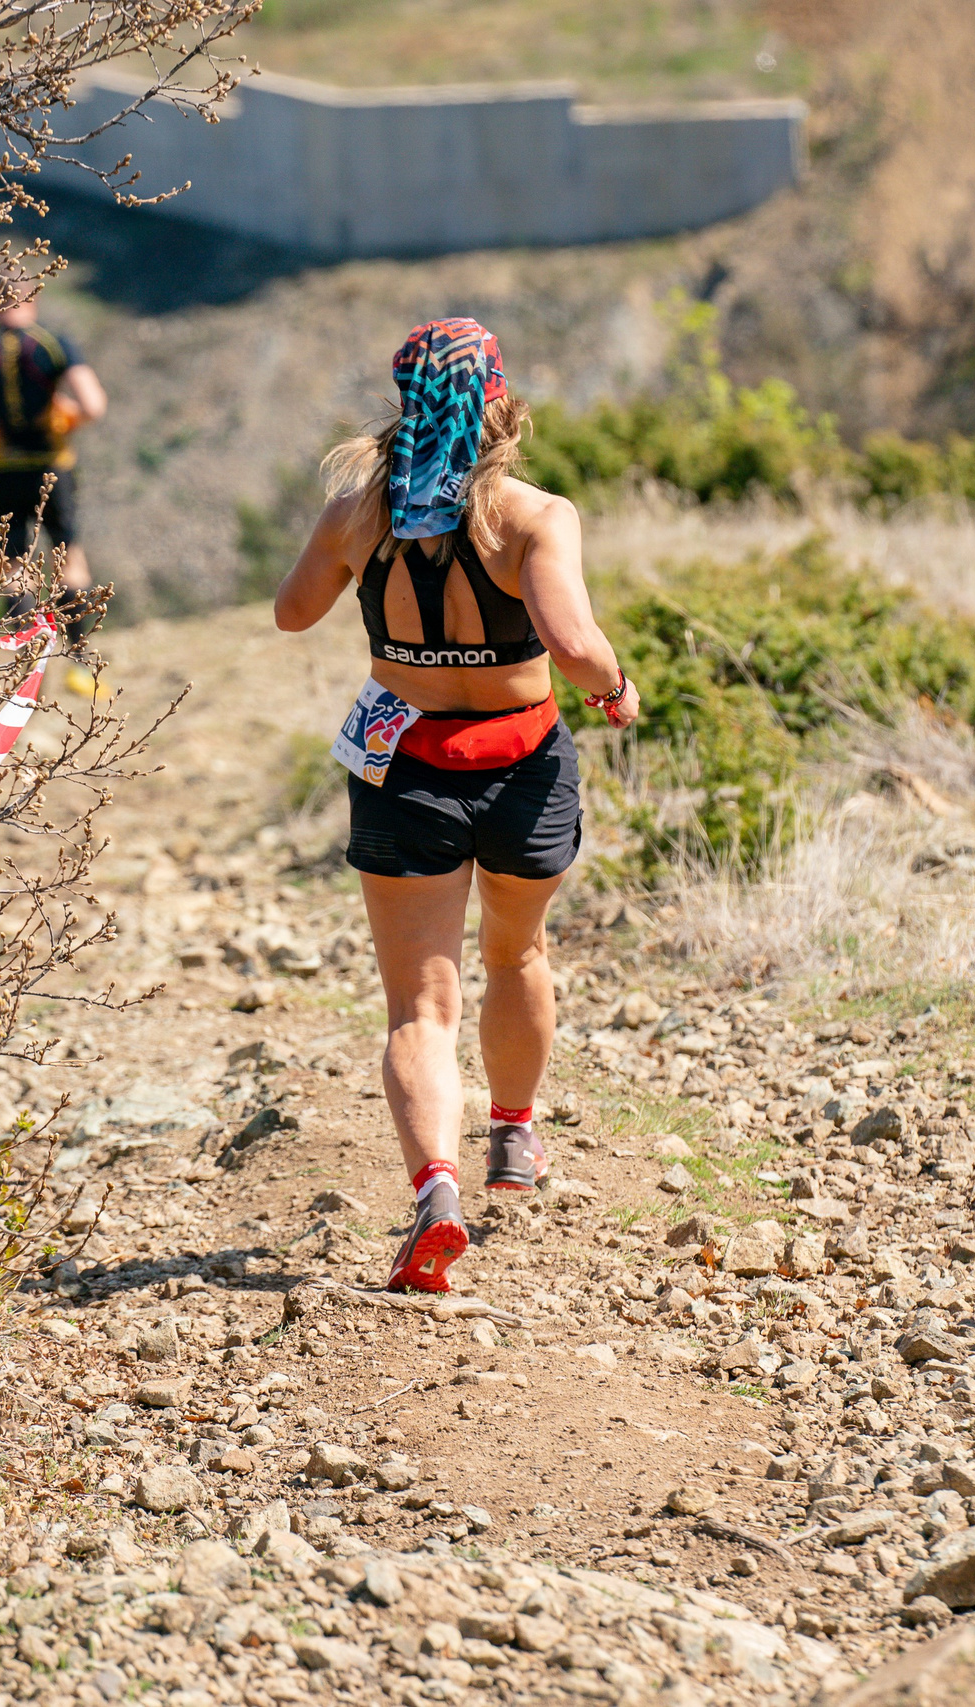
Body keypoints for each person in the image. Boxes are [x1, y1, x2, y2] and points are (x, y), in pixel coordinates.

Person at [272, 319, 641, 1293]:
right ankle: (514, 1139)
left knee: (418, 1007)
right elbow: (573, 643)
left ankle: (435, 1191)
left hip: (408, 769)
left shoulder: (359, 511)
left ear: (404, 404)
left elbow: (291, 612)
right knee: (517, 953)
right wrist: (612, 690)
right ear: (497, 402)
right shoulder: (533, 515)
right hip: (521, 764)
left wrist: (351, 547)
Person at [0, 289, 111, 690]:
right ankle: (78, 662)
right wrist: (65, 419)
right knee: (69, 559)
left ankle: (27, 673)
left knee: (12, 570)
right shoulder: (53, 344)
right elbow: (93, 404)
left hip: (1, 468)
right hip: (51, 466)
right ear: (32, 300)